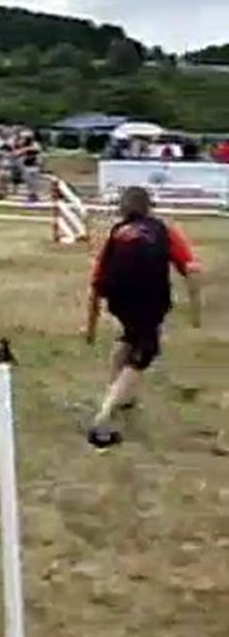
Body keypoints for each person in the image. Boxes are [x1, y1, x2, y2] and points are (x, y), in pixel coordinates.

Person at [84, 186, 203, 449]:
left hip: (120, 299)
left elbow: (97, 282)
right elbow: (191, 269)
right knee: (145, 351)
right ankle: (103, 416)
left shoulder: (117, 233)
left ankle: (120, 395)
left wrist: (90, 327)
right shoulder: (164, 230)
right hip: (150, 297)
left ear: (123, 210)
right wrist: (196, 310)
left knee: (129, 337)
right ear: (149, 207)